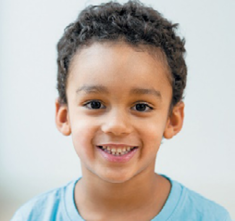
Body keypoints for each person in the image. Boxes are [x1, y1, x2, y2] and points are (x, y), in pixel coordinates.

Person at [11, 1, 232, 220]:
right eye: (95, 104)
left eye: (141, 106)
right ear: (64, 116)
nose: (116, 125)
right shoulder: (32, 217)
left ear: (172, 120)